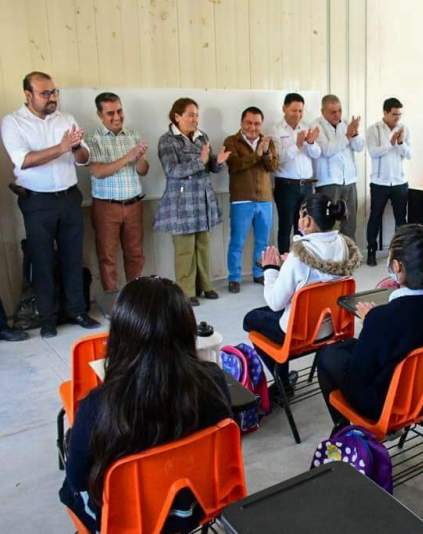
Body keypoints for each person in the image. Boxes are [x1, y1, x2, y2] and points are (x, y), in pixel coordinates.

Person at [59, 276, 232, 532]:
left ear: (119, 335)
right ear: (187, 329)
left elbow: (77, 479)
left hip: (127, 522)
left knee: (69, 486)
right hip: (197, 506)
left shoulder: (98, 406)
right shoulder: (214, 379)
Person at [316, 224, 423, 425]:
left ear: (397, 266)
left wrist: (370, 322)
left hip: (385, 405)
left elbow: (359, 373)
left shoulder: (381, 318)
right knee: (344, 347)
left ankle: (343, 429)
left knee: (327, 355)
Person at [0, 71, 100, 338]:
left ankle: (78, 311)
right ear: (28, 95)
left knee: (73, 257)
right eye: (45, 93)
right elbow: (23, 160)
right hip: (37, 201)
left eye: (54, 92)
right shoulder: (13, 122)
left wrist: (76, 148)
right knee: (42, 261)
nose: (52, 98)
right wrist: (62, 147)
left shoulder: (66, 119)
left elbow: (83, 159)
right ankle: (47, 319)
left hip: (68, 196)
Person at [243, 193, 361, 401]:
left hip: (299, 335)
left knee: (251, 319)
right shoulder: (343, 245)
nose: (298, 221)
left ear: (307, 220)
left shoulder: (299, 255)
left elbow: (275, 302)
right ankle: (285, 381)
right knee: (281, 310)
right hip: (332, 328)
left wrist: (271, 269)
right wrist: (289, 265)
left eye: (300, 216)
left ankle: (283, 384)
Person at [154, 98, 230, 307]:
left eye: (196, 115)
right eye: (190, 115)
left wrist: (218, 162)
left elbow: (209, 166)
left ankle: (206, 285)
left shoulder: (201, 136)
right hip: (182, 201)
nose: (195, 119)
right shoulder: (167, 140)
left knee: (203, 245)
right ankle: (186, 291)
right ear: (177, 116)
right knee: (185, 248)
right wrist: (200, 161)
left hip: (202, 198)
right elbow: (172, 170)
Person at [87, 92, 149, 293]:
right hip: (106, 207)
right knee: (107, 257)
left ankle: (135, 298)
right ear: (100, 115)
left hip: (134, 204)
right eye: (110, 113)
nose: (117, 117)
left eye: (119, 111)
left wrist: (139, 159)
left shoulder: (133, 135)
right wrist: (128, 157)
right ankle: (112, 301)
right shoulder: (92, 139)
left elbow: (143, 170)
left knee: (135, 254)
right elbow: (98, 171)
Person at [223, 106, 280, 294]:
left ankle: (259, 273)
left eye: (257, 123)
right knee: (237, 242)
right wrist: (256, 154)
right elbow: (235, 165)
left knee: (262, 242)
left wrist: (265, 153)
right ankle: (234, 277)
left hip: (265, 199)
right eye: (249, 123)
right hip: (241, 200)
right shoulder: (231, 141)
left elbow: (273, 167)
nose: (253, 127)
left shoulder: (267, 141)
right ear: (241, 122)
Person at [269, 93, 321, 254]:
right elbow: (278, 159)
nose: (297, 114)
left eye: (300, 111)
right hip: (286, 186)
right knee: (285, 227)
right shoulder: (275, 130)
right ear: (284, 109)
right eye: (293, 110)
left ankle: (304, 260)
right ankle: (285, 262)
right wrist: (297, 145)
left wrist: (310, 143)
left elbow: (316, 154)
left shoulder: (306, 127)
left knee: (305, 227)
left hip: (306, 186)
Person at [365, 97, 412, 266]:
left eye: (399, 114)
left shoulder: (404, 129)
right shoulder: (373, 129)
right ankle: (371, 251)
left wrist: (400, 143)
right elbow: (373, 152)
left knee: (401, 219)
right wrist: (390, 144)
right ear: (385, 112)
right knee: (375, 217)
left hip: (399, 182)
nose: (397, 118)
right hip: (379, 182)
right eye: (394, 114)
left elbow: (409, 154)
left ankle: (400, 253)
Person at [313, 94, 363, 240]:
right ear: (323, 111)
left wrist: (355, 133)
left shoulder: (346, 123)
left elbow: (359, 147)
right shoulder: (316, 125)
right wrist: (347, 136)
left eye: (339, 111)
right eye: (333, 112)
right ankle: (331, 254)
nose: (337, 115)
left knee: (350, 223)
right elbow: (327, 150)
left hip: (349, 180)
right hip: (328, 182)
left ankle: (349, 253)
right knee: (329, 225)